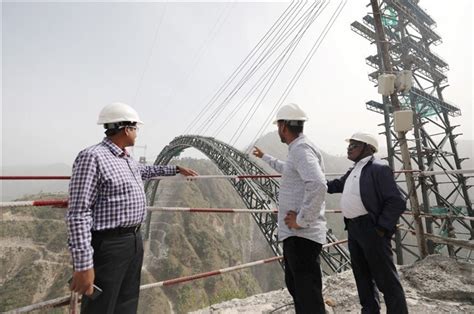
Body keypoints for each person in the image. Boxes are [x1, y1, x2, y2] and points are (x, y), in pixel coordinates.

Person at [66, 102, 197, 313]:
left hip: (133, 241)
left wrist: (175, 168)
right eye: (136, 128)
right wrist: (83, 264)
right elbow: (79, 212)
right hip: (109, 245)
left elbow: (145, 171)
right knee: (102, 306)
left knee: (126, 301)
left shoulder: (126, 158)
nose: (137, 133)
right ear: (126, 128)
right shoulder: (92, 157)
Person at [253, 103, 327, 314]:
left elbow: (318, 184)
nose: (278, 130)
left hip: (301, 236)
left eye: (278, 126)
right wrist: (264, 157)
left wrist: (301, 220)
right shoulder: (298, 150)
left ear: (284, 126)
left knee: (308, 295)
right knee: (300, 290)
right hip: (297, 236)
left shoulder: (301, 149)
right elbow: (288, 170)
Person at [326, 132, 408, 314]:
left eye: (354, 145)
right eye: (349, 145)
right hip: (354, 228)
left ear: (368, 148)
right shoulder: (354, 169)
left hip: (371, 228)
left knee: (386, 278)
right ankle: (370, 310)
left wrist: (381, 228)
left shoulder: (379, 168)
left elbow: (397, 201)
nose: (349, 148)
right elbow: (336, 186)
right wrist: (315, 181)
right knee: (362, 275)